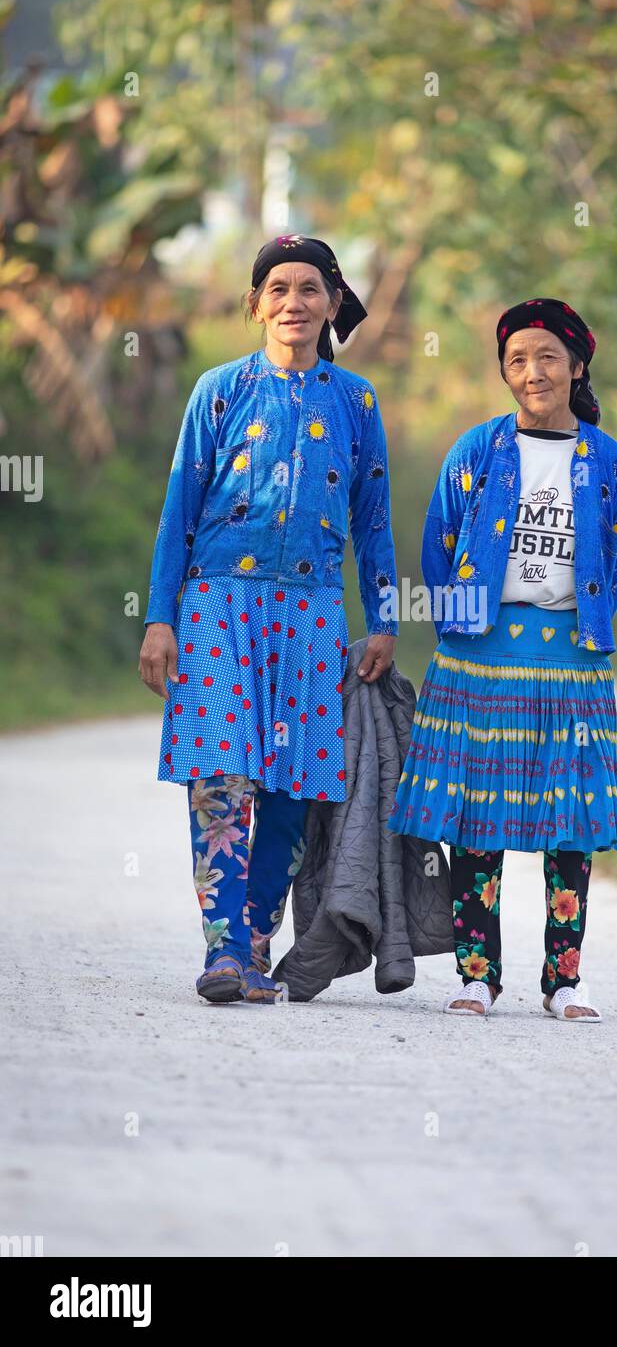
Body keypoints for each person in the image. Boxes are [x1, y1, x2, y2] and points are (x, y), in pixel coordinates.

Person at [138, 233, 398, 1004]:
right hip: (219, 605)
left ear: (332, 304)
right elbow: (178, 511)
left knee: (290, 784)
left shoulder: (356, 402)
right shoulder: (218, 391)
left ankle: (254, 946)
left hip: (314, 613)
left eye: (309, 289)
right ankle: (222, 949)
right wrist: (160, 619)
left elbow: (374, 519)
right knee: (221, 773)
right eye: (277, 288)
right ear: (255, 304)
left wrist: (382, 619)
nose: (293, 302)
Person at [387, 298, 617, 1021]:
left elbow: (616, 558)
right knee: (475, 819)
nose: (533, 372)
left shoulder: (606, 459)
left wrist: (582, 624)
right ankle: (477, 975)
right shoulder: (477, 450)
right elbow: (439, 548)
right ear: (505, 370)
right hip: (479, 655)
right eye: (518, 360)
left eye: (548, 358)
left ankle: (564, 980)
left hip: (571, 658)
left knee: (572, 826)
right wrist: (463, 627)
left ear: (577, 365)